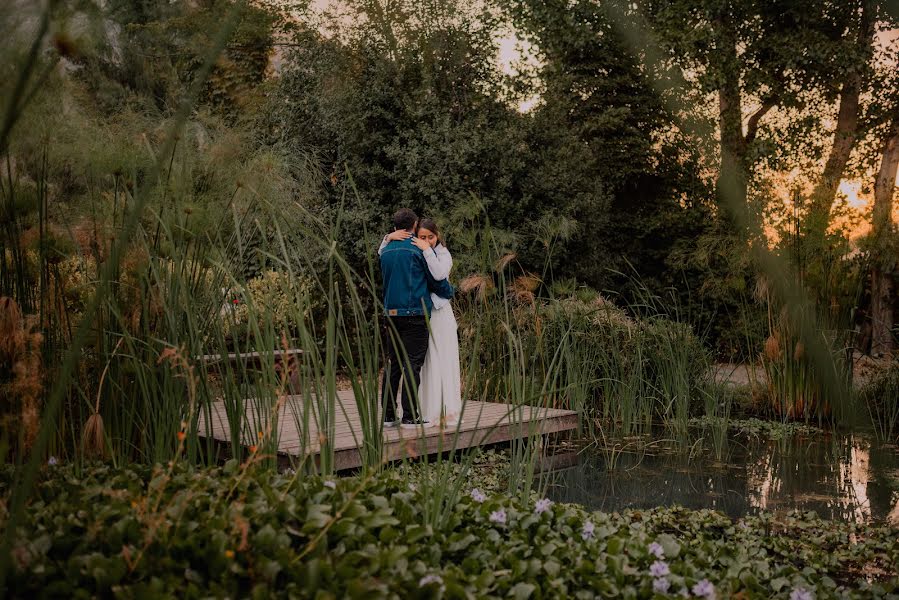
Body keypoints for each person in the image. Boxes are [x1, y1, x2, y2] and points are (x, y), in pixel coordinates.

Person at [380, 218, 462, 427]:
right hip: (420, 313)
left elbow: (440, 277)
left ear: (437, 236)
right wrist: (388, 237)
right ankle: (412, 414)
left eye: (430, 237)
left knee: (430, 360)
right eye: (422, 237)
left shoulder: (441, 254)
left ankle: (434, 409)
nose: (426, 241)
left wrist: (446, 291)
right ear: (414, 231)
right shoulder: (414, 251)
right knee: (414, 364)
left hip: (437, 313)